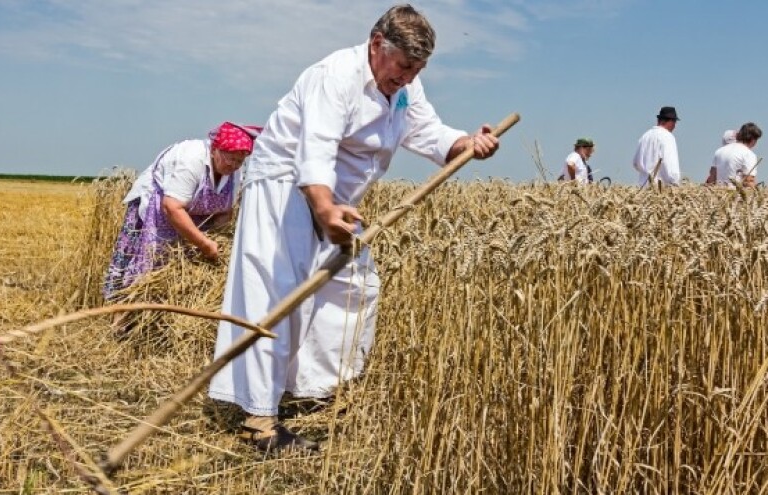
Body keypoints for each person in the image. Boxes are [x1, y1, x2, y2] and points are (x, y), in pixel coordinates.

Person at [207, 4, 500, 452]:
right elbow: (316, 148)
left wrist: (468, 144)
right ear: (376, 44)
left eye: (416, 69)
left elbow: (429, 132)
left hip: (336, 200)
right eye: (402, 66)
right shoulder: (336, 76)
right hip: (287, 186)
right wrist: (323, 207)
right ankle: (259, 420)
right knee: (278, 295)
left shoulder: (405, 87)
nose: (405, 78)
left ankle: (311, 389)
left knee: (354, 288)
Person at [102, 122, 258, 300]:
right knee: (146, 271)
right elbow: (171, 207)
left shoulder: (234, 172)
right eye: (230, 158)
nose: (234, 165)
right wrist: (204, 244)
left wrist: (214, 239)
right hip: (160, 207)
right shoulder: (192, 160)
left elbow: (224, 212)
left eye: (240, 161)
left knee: (184, 270)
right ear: (215, 149)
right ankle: (122, 323)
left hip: (189, 211)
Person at [632, 106, 681, 186]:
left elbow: (635, 163)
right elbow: (671, 168)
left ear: (659, 120)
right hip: (661, 192)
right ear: (671, 122)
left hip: (642, 190)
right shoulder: (668, 137)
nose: (674, 126)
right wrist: (675, 184)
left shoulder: (645, 136)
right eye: (675, 123)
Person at [711, 122, 763, 187]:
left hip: (719, 194)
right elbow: (749, 181)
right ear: (753, 139)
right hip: (736, 195)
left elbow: (712, 178)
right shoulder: (748, 154)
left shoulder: (719, 151)